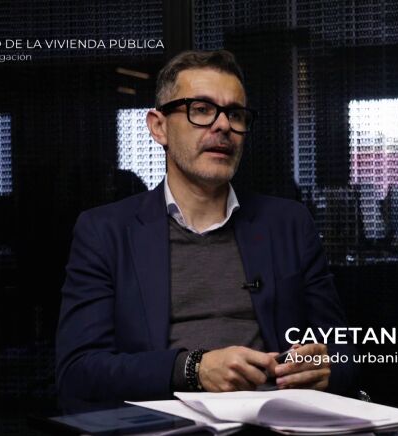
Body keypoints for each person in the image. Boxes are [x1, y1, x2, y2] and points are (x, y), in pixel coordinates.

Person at [56, 50, 357, 401]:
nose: (223, 125)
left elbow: (344, 354)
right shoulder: (105, 232)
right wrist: (192, 369)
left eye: (235, 114)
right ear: (159, 127)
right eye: (201, 110)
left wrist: (325, 367)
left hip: (274, 418)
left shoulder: (289, 224)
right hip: (164, 421)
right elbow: (78, 373)